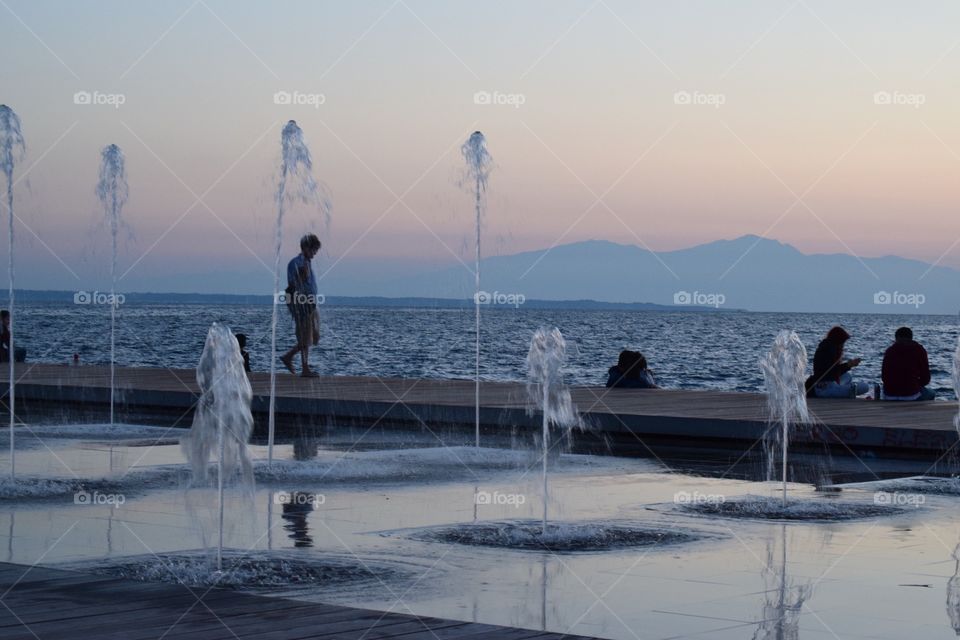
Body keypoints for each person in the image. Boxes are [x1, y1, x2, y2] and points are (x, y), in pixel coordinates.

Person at [280, 233, 322, 377]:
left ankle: (291, 358)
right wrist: (301, 277)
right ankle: (301, 366)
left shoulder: (307, 263)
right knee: (306, 335)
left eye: (315, 251)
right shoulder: (295, 263)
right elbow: (292, 286)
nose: (314, 254)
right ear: (304, 247)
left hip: (309, 302)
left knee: (314, 335)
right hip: (300, 302)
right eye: (312, 250)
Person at [805, 326, 869, 398]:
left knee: (847, 376)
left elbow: (833, 371)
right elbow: (830, 373)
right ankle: (841, 390)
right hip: (824, 389)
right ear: (838, 340)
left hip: (825, 383)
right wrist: (848, 365)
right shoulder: (828, 350)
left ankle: (841, 389)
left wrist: (848, 365)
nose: (843, 345)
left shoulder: (826, 346)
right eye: (842, 342)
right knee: (865, 387)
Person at [881, 327, 934, 401]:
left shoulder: (889, 351)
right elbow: (926, 378)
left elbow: (884, 377)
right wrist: (915, 384)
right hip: (910, 395)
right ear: (911, 337)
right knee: (931, 393)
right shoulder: (919, 350)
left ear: (896, 338)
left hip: (889, 395)